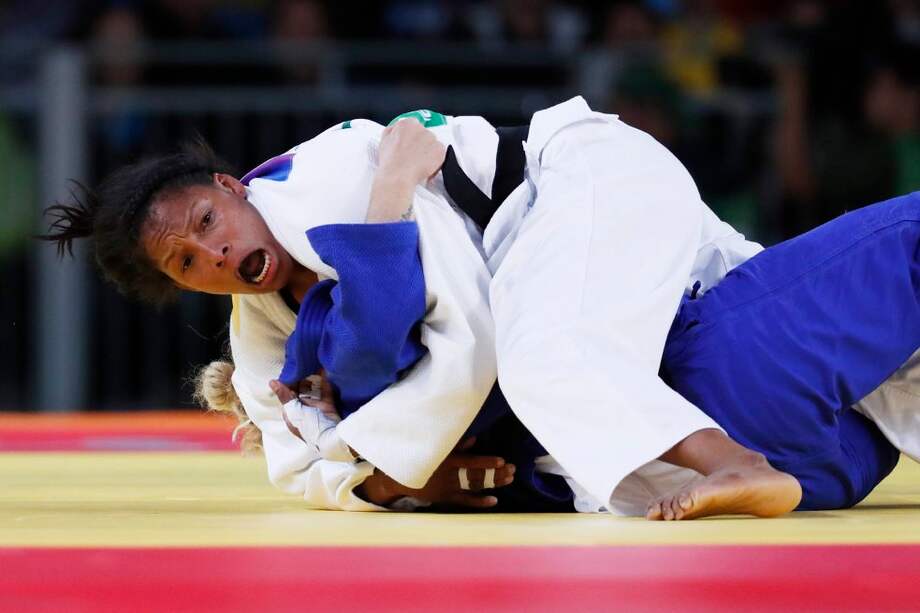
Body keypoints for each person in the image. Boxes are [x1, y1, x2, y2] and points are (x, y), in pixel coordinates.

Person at [43, 97, 866, 518]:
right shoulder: (258, 321)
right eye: (189, 264)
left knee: (544, 359)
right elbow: (295, 469)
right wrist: (392, 489)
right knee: (831, 344)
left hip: (584, 185)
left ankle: (738, 463)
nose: (214, 254)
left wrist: (377, 457)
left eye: (207, 223)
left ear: (232, 186)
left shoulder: (327, 180)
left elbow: (470, 347)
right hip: (572, 251)